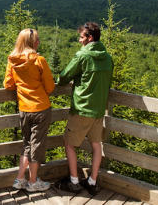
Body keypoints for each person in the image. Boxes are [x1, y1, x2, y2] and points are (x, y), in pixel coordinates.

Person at [54, 22, 113, 195]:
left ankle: (74, 182)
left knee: (69, 143)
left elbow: (64, 77)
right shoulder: (108, 58)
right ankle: (92, 182)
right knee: (96, 145)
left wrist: (63, 80)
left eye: (82, 37)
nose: (80, 41)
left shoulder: (82, 56)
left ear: (90, 38)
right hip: (99, 109)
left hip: (82, 108)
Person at [3, 28, 56, 192]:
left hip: (24, 109)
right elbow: (50, 87)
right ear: (30, 43)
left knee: (27, 144)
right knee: (37, 146)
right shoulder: (39, 60)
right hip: (41, 108)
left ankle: (20, 179)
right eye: (37, 40)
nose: (39, 42)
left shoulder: (13, 61)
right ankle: (33, 182)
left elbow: (8, 85)